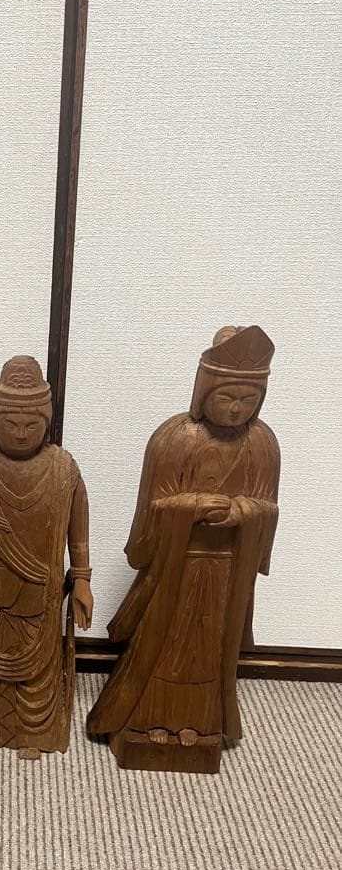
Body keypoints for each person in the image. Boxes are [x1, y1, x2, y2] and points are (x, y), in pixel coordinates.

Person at [86, 325, 279, 772]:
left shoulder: (263, 444)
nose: (237, 408)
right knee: (164, 643)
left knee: (209, 648)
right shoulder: (177, 437)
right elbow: (154, 505)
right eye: (227, 397)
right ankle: (149, 717)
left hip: (226, 569)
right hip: (177, 565)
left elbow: (268, 506)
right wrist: (191, 506)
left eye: (248, 400)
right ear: (204, 390)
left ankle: (198, 722)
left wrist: (245, 511)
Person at [0, 356, 93, 759]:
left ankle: (34, 731)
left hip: (39, 587)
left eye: (32, 424)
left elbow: (78, 529)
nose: (21, 433)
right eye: (10, 424)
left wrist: (81, 578)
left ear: (47, 421)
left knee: (37, 666)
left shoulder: (63, 468)